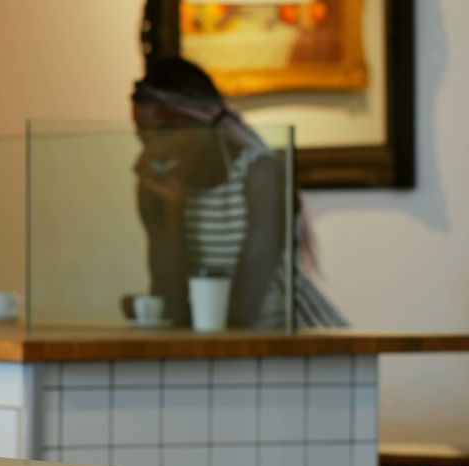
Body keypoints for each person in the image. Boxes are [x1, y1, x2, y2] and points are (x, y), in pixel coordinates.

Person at [130, 57, 345, 329]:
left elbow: (246, 305)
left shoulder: (259, 173)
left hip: (297, 342)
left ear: (197, 123)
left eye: (160, 134)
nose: (150, 151)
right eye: (142, 136)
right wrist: (172, 212)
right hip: (226, 347)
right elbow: (171, 303)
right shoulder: (159, 189)